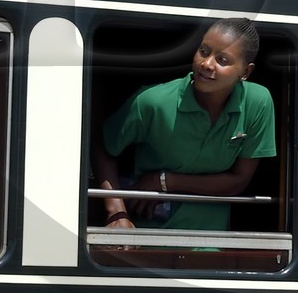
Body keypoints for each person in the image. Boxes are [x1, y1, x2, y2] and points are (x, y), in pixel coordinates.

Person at [94, 20, 275, 231]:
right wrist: (117, 212)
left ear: (245, 72)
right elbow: (102, 146)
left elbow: (239, 180)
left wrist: (164, 181)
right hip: (144, 237)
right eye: (203, 51)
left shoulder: (258, 102)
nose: (207, 64)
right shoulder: (153, 101)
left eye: (222, 60)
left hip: (211, 242)